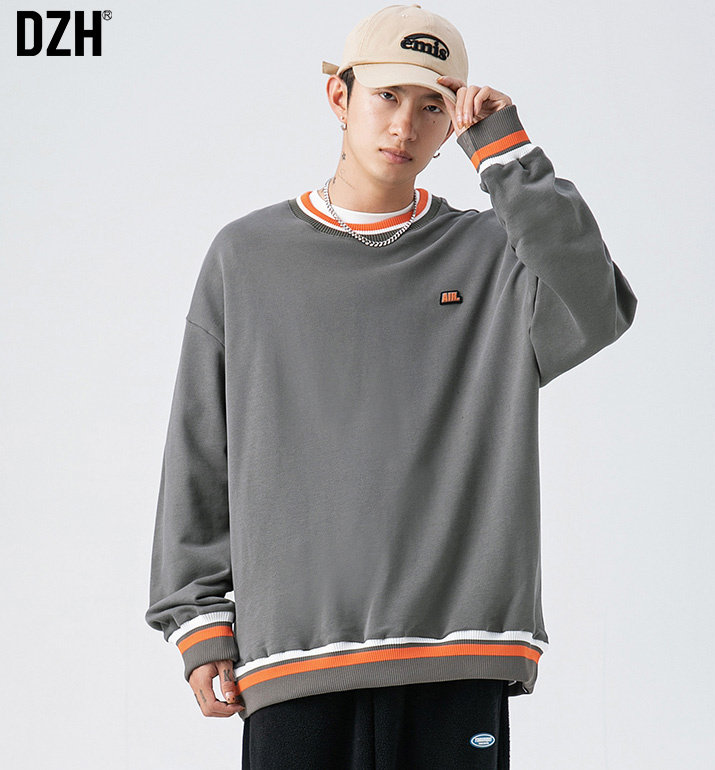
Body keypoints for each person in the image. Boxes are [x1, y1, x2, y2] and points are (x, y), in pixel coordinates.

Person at [145, 4, 638, 768]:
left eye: (432, 105)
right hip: (294, 658)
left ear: (452, 124)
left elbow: (596, 307)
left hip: (460, 653)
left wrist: (507, 154)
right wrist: (198, 617)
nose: (406, 125)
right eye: (387, 96)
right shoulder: (247, 257)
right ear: (339, 97)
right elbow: (201, 445)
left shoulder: (496, 255)